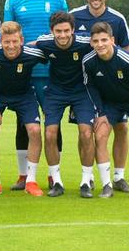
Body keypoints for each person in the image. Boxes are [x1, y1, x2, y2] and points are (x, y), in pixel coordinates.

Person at [3, 0, 68, 190]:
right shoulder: (13, 0)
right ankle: (24, 175)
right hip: (25, 73)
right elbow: (8, 33)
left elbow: (65, 31)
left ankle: (54, 176)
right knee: (24, 123)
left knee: (53, 124)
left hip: (53, 72)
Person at [70, 0, 129, 193]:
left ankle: (119, 177)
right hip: (85, 87)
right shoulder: (74, 16)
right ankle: (87, 177)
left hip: (114, 89)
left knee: (122, 128)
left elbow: (127, 54)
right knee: (86, 131)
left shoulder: (117, 19)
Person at [82, 22, 129, 199]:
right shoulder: (88, 61)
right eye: (96, 41)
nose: (100, 44)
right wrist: (100, 112)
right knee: (100, 135)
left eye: (104, 40)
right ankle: (107, 185)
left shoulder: (128, 59)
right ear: (91, 42)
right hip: (109, 104)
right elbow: (90, 86)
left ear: (112, 40)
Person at [0, 22, 48, 196]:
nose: (11, 46)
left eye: (15, 41)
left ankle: (30, 181)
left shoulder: (33, 54)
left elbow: (54, 51)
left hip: (24, 96)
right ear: (0, 41)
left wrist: (39, 43)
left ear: (21, 40)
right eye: (7, 42)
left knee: (35, 130)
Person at [32, 11, 96, 198]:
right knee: (50, 133)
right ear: (52, 31)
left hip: (81, 92)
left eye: (66, 31)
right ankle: (57, 181)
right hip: (56, 92)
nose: (62, 35)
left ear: (73, 30)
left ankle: (86, 180)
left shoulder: (85, 43)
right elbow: (28, 47)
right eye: (58, 31)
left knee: (86, 132)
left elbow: (105, 47)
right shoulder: (45, 42)